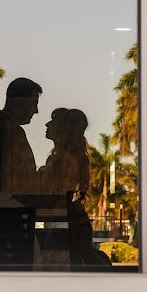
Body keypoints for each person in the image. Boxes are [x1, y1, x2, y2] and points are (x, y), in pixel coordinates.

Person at [0, 77, 42, 259]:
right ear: (18, 102)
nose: (36, 111)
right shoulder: (10, 131)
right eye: (33, 104)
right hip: (10, 215)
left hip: (3, 214)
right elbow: (23, 179)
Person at [38, 108, 111, 268]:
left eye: (53, 122)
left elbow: (57, 194)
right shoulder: (59, 158)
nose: (47, 124)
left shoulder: (66, 161)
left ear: (62, 130)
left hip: (65, 223)